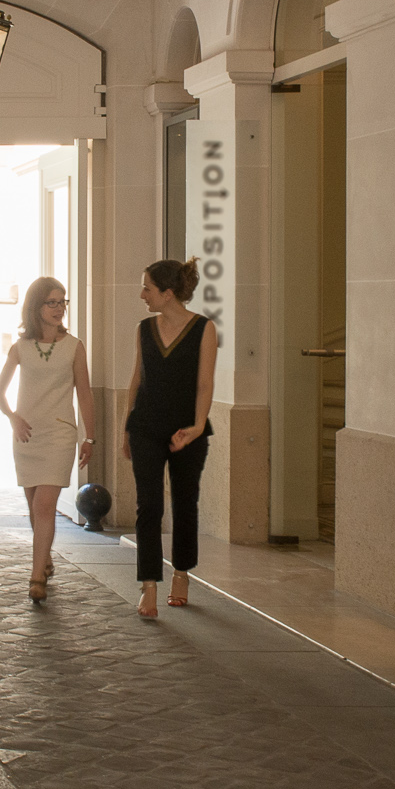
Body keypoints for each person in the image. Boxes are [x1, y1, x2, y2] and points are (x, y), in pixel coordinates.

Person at [120, 258, 217, 619]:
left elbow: (205, 383)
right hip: (145, 426)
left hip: (186, 431)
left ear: (168, 293)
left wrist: (196, 425)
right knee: (149, 505)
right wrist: (127, 427)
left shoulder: (204, 328)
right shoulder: (144, 329)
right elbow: (135, 379)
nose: (142, 294)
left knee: (184, 502)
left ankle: (181, 573)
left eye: (147, 288)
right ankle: (148, 585)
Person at [0, 276, 95, 604]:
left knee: (43, 505)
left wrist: (89, 437)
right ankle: (44, 557)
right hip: (27, 436)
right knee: (33, 506)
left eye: (62, 302)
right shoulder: (20, 348)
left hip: (60, 435)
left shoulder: (74, 346)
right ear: (36, 306)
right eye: (52, 302)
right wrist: (13, 417)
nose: (58, 309)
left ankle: (37, 576)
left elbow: (85, 394)